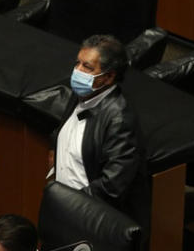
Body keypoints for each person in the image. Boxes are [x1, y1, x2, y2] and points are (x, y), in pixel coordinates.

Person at [51, 34, 143, 207]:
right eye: (77, 63)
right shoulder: (81, 94)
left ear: (108, 77)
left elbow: (112, 186)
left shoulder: (120, 120)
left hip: (85, 209)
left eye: (87, 67)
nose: (77, 71)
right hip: (63, 201)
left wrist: (70, 202)